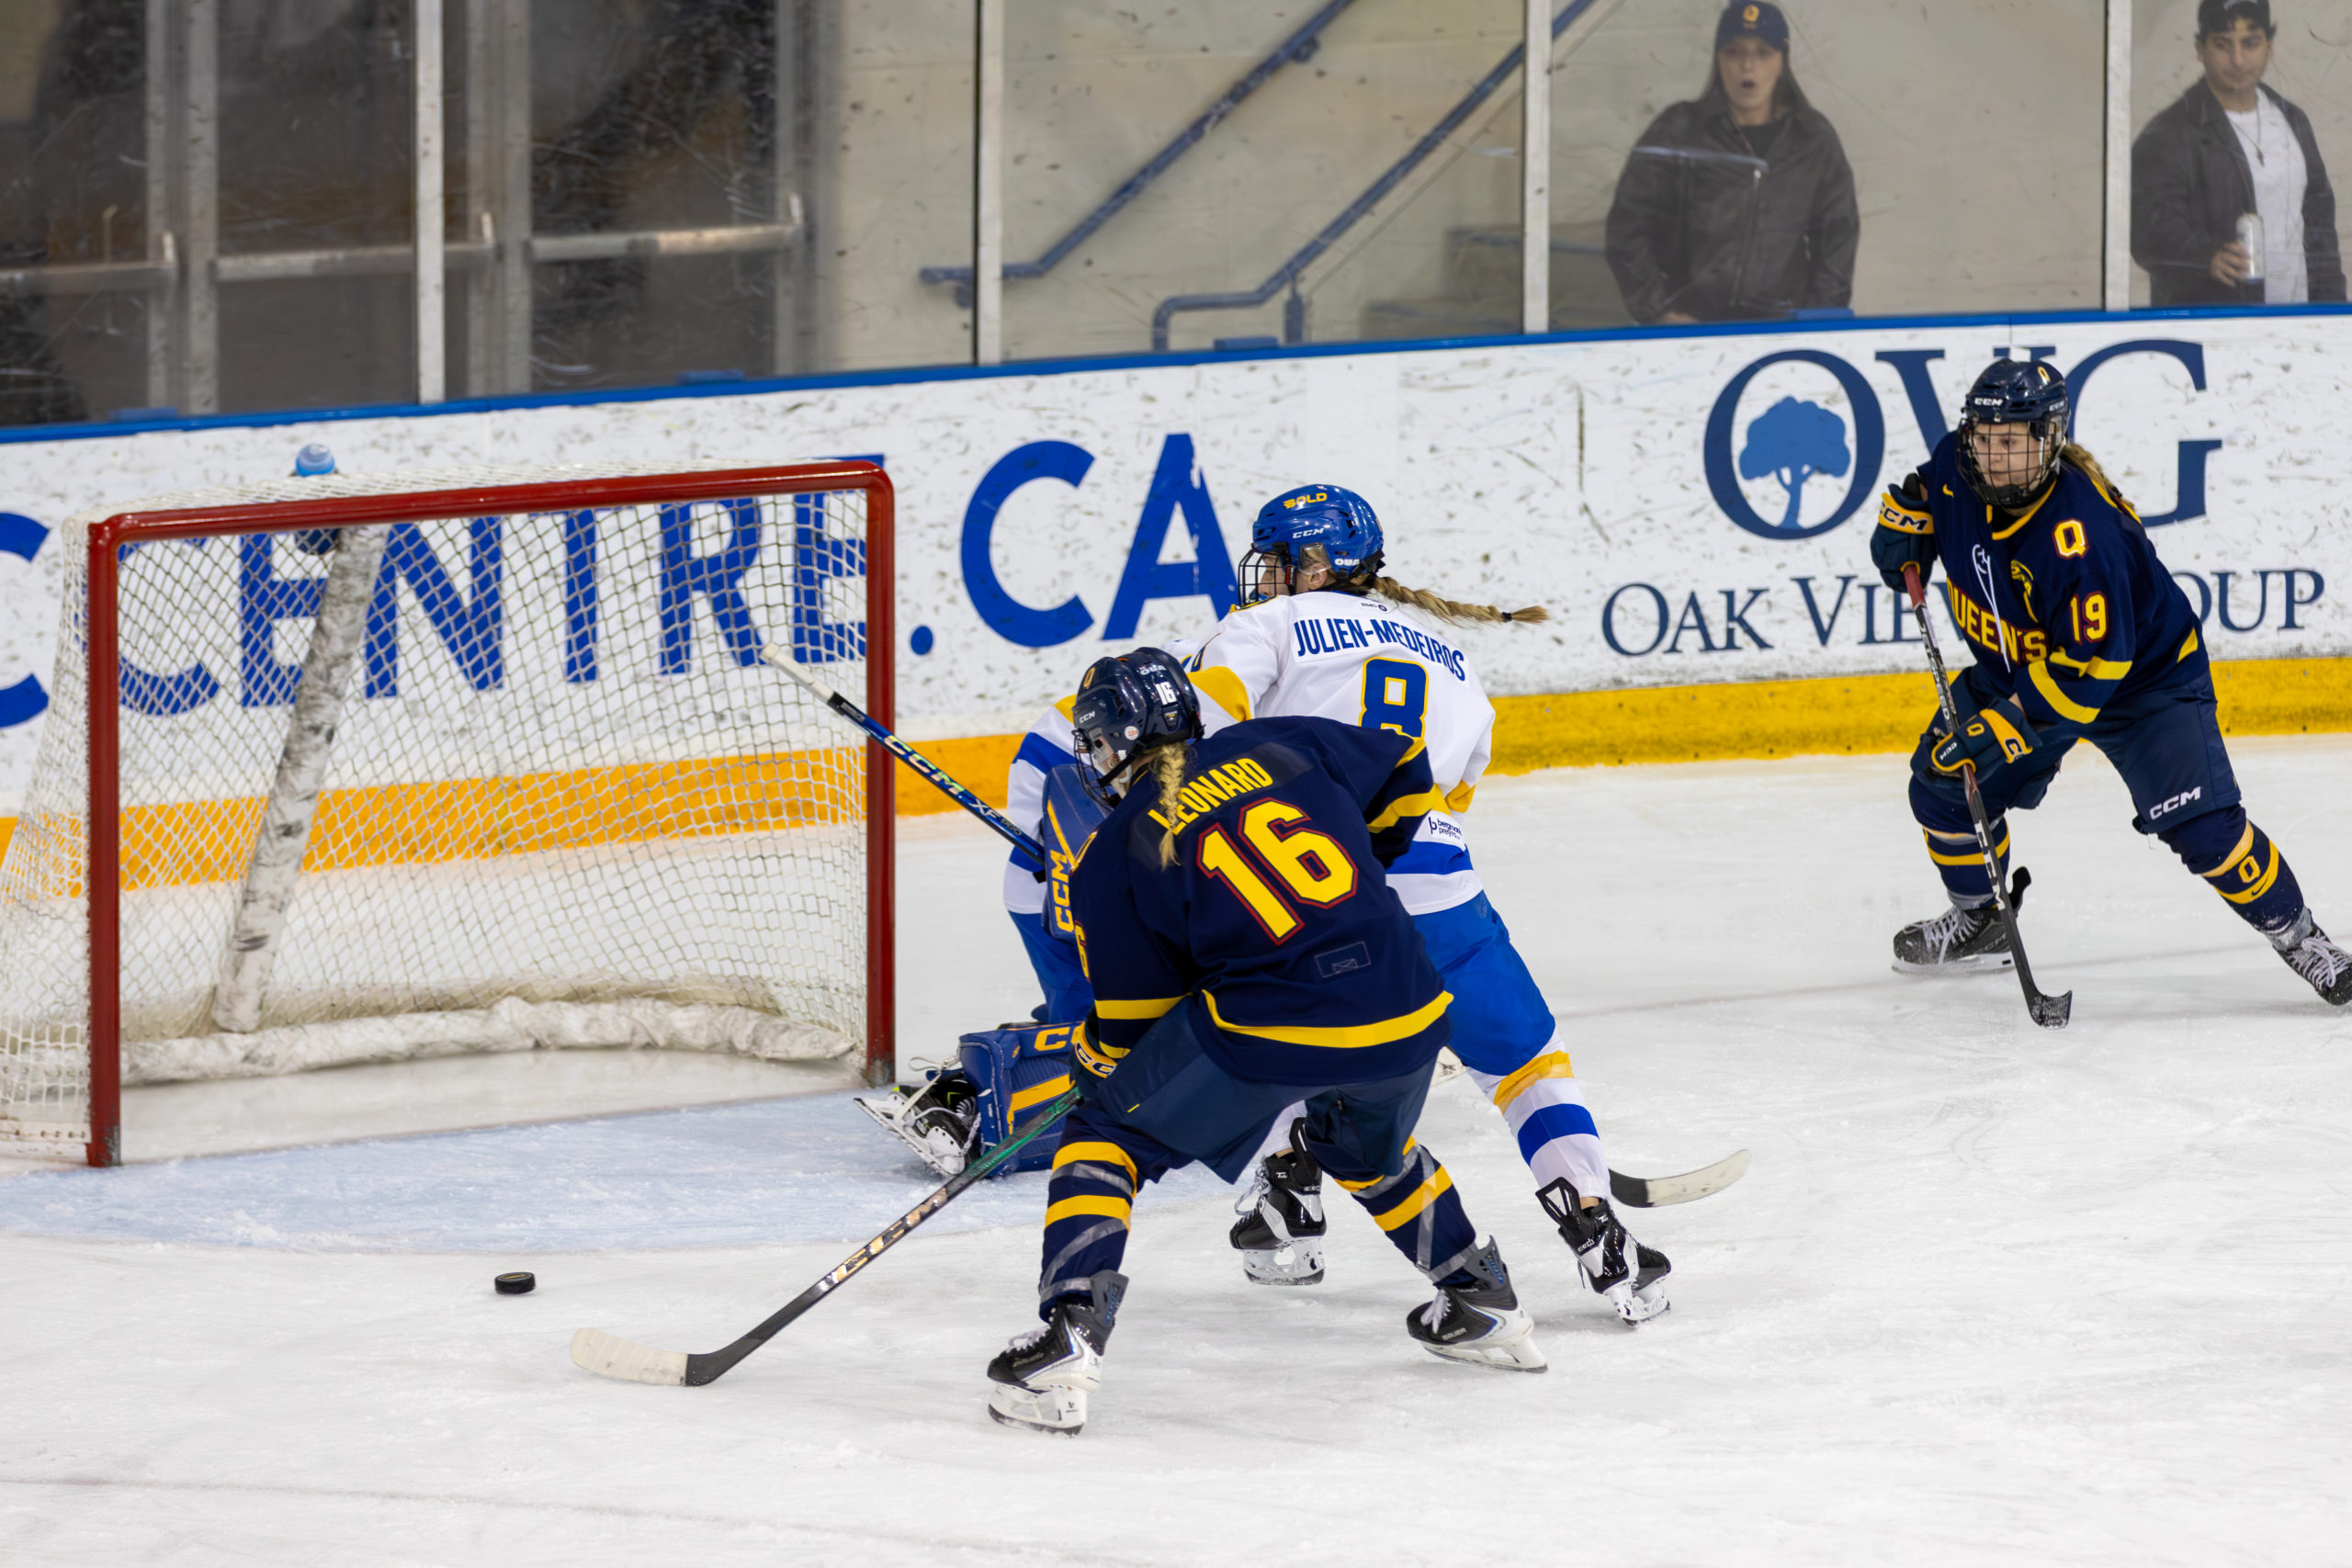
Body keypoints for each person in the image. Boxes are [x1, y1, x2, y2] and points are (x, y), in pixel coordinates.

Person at [984, 650, 1545, 1437]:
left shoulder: (1117, 846)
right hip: (1408, 1003)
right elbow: (1405, 765)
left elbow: (1139, 1015)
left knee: (1105, 1134)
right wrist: (1363, 863)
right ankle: (1482, 1297)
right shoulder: (1288, 741)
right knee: (1361, 1148)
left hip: (1271, 1025)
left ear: (1117, 741)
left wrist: (1095, 1056)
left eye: (1100, 740)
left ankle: (1068, 1334)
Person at [1190, 485, 1670, 1325]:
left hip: (1315, 894)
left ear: (1313, 565)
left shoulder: (1260, 630)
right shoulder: (1457, 661)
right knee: (1527, 1063)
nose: (1263, 577)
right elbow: (1449, 802)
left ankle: (1288, 1188)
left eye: (1277, 560)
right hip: (1443, 891)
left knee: (1241, 1017)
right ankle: (1600, 1231)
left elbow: (1202, 736)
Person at [1870, 359, 2352, 1005]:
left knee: (2204, 829)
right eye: (1985, 438)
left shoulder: (2079, 536)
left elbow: (2094, 669)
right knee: (1941, 787)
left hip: (2141, 682)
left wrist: (2007, 723)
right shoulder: (1958, 467)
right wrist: (1908, 523)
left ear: (2048, 439)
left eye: (2012, 441)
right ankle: (1981, 919)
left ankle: (2303, 938)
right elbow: (1926, 497)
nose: (1994, 457)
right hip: (2018, 667)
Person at [1603, 1, 1857, 325]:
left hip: (1781, 332)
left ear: (1782, 61)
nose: (1747, 66)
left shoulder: (1812, 139)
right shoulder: (1679, 130)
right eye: (1734, 52)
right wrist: (1660, 311)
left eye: (1763, 53)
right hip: (1691, 328)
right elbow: (1628, 227)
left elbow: (1839, 236)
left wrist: (1817, 317)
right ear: (1718, 59)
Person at [2131, 0, 2344, 309]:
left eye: (2250, 43)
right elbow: (2147, 232)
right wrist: (2204, 257)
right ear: (2200, 49)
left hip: (2301, 322)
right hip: (2216, 325)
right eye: (2222, 44)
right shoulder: (2169, 134)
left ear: (2268, 47)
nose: (2238, 59)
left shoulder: (2292, 121)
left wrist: (2333, 309)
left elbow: (2320, 224)